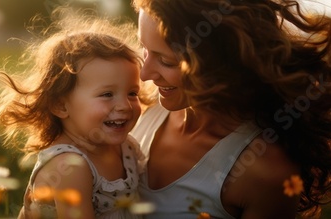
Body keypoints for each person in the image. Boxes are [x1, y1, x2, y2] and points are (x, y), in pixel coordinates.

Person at [130, 0, 331, 218]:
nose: (145, 74)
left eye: (167, 61)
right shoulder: (140, 105)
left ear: (219, 58)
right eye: (145, 49)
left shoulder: (263, 170)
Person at [0, 10, 152, 219]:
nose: (125, 105)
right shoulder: (69, 166)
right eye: (107, 94)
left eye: (132, 93)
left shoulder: (127, 148)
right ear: (60, 105)